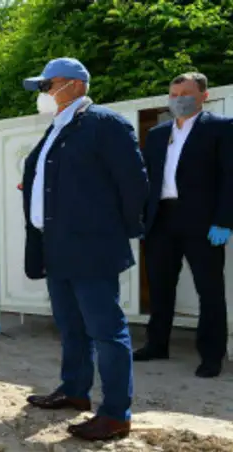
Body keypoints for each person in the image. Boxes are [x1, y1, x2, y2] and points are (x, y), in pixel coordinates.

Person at [20, 58, 149, 441]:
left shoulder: (105, 124)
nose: (44, 93)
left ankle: (116, 413)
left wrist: (115, 230)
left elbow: (134, 183)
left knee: (106, 331)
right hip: (56, 244)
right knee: (71, 326)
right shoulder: (57, 127)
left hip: (91, 246)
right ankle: (75, 390)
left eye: (49, 85)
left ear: (76, 85)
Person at [135, 72, 233, 378]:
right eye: (174, 95)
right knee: (160, 286)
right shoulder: (158, 134)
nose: (179, 100)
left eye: (186, 94)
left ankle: (211, 355)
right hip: (161, 219)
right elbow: (146, 179)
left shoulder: (221, 128)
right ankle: (157, 344)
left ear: (204, 95)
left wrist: (224, 221)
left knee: (209, 289)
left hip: (202, 222)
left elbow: (230, 178)